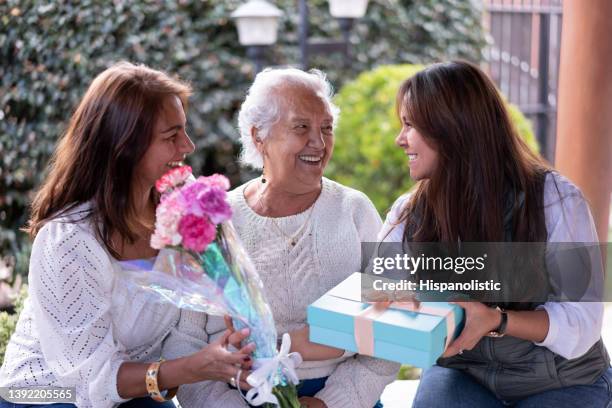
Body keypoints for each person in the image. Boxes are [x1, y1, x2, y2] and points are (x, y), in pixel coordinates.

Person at [0, 62, 254, 408]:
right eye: (171, 136)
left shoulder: (184, 203)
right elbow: (92, 381)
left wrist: (236, 346)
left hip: (133, 391)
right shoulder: (69, 240)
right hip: (45, 394)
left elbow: (201, 316)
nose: (189, 145)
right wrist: (193, 369)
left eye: (185, 130)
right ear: (124, 147)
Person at [162, 67, 400, 408]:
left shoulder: (355, 210)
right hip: (239, 396)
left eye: (326, 128)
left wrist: (330, 403)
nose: (318, 142)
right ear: (259, 136)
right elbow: (183, 342)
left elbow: (393, 327)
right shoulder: (216, 222)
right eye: (301, 127)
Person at [379, 60, 611, 407]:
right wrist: (400, 303)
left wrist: (497, 320)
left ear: (451, 129)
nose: (400, 139)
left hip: (561, 378)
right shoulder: (407, 214)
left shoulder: (555, 200)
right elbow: (380, 296)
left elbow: (582, 323)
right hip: (465, 373)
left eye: (410, 125)